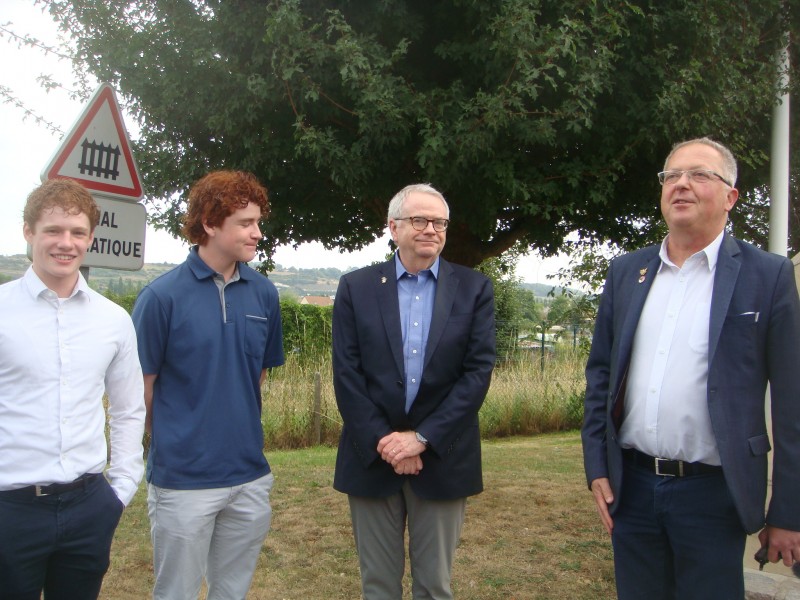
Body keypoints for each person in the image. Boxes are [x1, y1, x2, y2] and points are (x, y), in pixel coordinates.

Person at [582, 137, 800, 599]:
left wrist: (787, 512)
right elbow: (600, 374)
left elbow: (792, 400)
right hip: (632, 490)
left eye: (699, 175)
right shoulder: (627, 272)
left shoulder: (768, 276)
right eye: (672, 176)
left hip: (713, 495)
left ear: (730, 196)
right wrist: (597, 466)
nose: (681, 184)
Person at [332, 183, 496, 599]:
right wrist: (388, 443)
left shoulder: (474, 289)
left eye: (440, 222)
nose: (431, 230)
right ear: (393, 227)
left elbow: (477, 373)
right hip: (372, 457)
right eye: (419, 220)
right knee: (378, 587)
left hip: (444, 457)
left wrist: (422, 438)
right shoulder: (356, 287)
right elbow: (347, 374)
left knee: (434, 587)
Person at [131, 170, 284, 599]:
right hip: (183, 480)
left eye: (258, 222)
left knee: (231, 592)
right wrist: (179, 439)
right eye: (245, 223)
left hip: (249, 475)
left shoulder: (264, 294)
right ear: (210, 223)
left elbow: (257, 374)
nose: (257, 233)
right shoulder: (161, 298)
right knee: (175, 593)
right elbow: (141, 390)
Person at [0, 178, 145, 599]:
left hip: (89, 506)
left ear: (91, 238)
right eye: (53, 230)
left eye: (78, 232)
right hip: (10, 509)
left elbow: (129, 409)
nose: (66, 243)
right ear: (29, 233)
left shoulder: (113, 320)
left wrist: (120, 489)